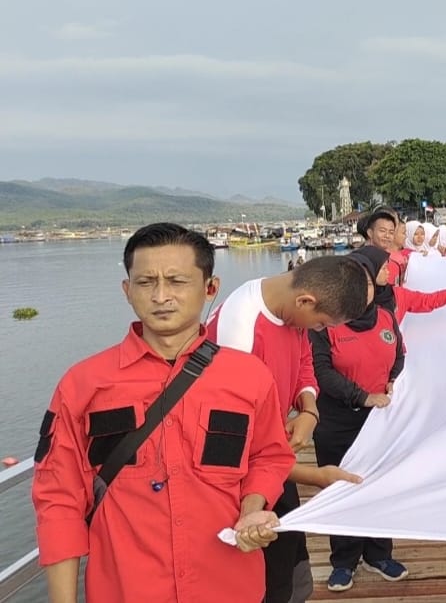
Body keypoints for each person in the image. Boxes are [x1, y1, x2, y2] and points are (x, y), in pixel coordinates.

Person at [32, 223, 294, 602]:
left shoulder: (250, 377)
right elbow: (58, 500)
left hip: (228, 585)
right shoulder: (83, 384)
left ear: (210, 289)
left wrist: (252, 507)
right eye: (145, 282)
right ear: (127, 291)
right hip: (125, 589)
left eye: (177, 281)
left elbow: (269, 455)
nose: (161, 296)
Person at [207, 255, 371, 603]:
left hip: (274, 461)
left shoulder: (288, 308)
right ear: (306, 301)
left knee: (291, 567)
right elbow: (231, 448)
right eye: (322, 322)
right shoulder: (238, 332)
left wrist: (309, 407)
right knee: (261, 577)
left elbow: (304, 361)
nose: (320, 330)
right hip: (239, 484)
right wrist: (316, 476)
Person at [309, 249, 410, 591]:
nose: (362, 289)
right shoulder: (325, 322)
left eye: (367, 281)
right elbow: (320, 371)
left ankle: (379, 553)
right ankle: (344, 560)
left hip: (379, 421)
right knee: (341, 487)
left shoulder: (385, 316)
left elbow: (400, 355)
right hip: (338, 421)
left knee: (381, 486)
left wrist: (394, 378)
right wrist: (362, 396)